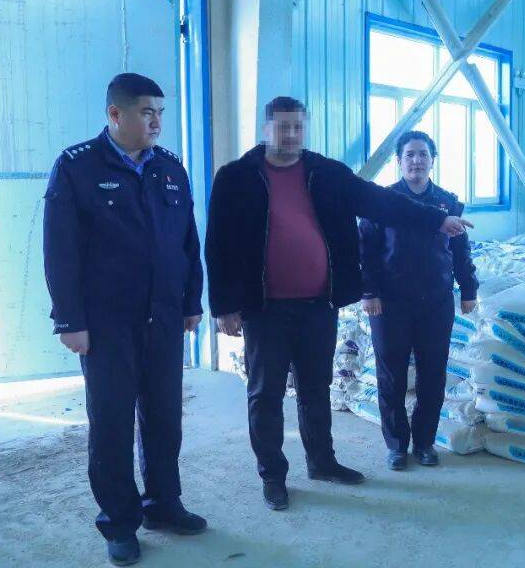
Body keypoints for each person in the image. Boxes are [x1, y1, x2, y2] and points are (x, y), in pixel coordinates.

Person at [205, 97, 474, 511]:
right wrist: (224, 305)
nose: (291, 134)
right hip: (264, 307)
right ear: (265, 129)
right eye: (282, 127)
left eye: (297, 127)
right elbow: (218, 244)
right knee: (266, 394)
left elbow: (381, 202)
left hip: (319, 303)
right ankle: (273, 476)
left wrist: (436, 219)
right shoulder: (236, 177)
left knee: (316, 388)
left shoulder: (326, 173)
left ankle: (322, 461)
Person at [43, 73, 206, 567]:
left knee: (164, 417)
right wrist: (69, 320)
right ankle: (119, 521)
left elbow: (187, 242)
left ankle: (163, 504)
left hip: (164, 317)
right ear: (115, 114)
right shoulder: (78, 166)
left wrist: (192, 301)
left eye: (160, 112)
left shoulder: (170, 168)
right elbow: (61, 250)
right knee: (112, 424)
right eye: (146, 112)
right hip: (107, 323)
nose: (156, 122)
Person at [359, 131, 478, 470]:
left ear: (432, 160)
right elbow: (365, 250)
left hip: (435, 302)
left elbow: (460, 250)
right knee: (392, 376)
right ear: (399, 161)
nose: (416, 160)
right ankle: (397, 446)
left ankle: (425, 443)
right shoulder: (382, 201)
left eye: (423, 154)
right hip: (389, 304)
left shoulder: (447, 202)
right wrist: (368, 292)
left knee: (432, 375)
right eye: (410, 154)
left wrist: (468, 289)